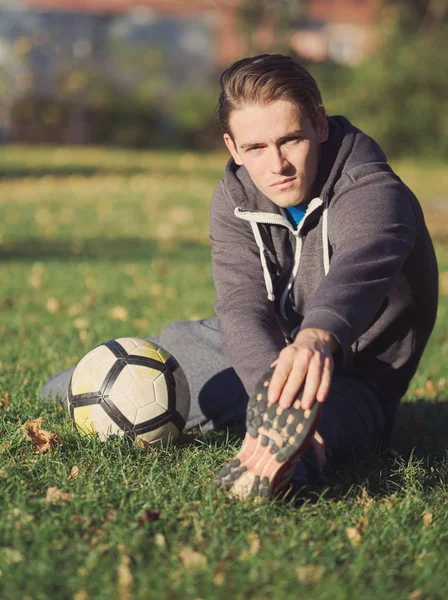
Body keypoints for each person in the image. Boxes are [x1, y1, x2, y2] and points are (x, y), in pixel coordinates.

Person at [41, 54, 438, 500]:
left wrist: (318, 337)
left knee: (321, 426)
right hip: (272, 352)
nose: (277, 165)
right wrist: (270, 402)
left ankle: (291, 465)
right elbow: (241, 305)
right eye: (255, 148)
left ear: (320, 126)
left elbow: (363, 262)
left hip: (352, 377)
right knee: (172, 350)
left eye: (290, 140)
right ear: (233, 147)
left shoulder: (373, 190)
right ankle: (68, 389)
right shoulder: (234, 198)